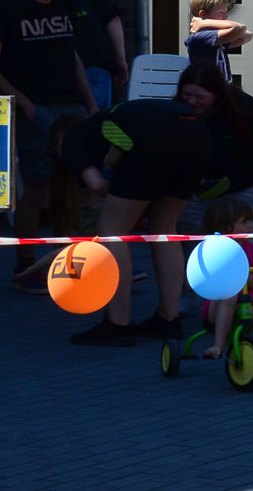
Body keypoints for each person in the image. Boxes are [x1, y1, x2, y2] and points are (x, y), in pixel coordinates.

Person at [54, 98, 213, 346]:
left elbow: (98, 186)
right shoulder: (102, 125)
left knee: (111, 229)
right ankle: (169, 319)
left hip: (154, 134)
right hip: (197, 132)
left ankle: (118, 323)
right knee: (164, 228)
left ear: (59, 138)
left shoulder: (72, 137)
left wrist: (124, 187)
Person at [0, 0, 97, 252]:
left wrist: (91, 103)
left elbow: (72, 57)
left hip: (71, 103)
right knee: (39, 187)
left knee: (83, 182)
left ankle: (80, 258)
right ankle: (26, 264)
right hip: (35, 106)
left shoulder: (65, 4)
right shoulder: (8, 9)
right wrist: (23, 103)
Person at [175, 62, 253, 233]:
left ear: (217, 95)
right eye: (187, 94)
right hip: (205, 184)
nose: (191, 101)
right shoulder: (179, 109)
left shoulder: (242, 107)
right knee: (188, 226)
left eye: (200, 97)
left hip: (249, 181)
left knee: (236, 231)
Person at [196, 196, 253, 388]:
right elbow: (202, 278)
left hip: (250, 306)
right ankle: (218, 345)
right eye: (244, 221)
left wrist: (241, 274)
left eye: (251, 220)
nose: (251, 225)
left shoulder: (252, 251)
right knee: (230, 294)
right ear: (226, 225)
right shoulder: (213, 250)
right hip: (217, 308)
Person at [59, 0, 130, 111]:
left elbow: (112, 18)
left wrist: (120, 61)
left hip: (90, 67)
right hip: (91, 66)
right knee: (94, 119)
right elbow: (112, 19)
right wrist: (120, 61)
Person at [185, 0, 251, 84]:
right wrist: (205, 23)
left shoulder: (217, 38)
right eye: (221, 12)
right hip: (208, 87)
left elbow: (247, 36)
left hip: (222, 87)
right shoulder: (200, 37)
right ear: (203, 14)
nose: (225, 17)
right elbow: (239, 28)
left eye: (225, 12)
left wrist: (205, 23)